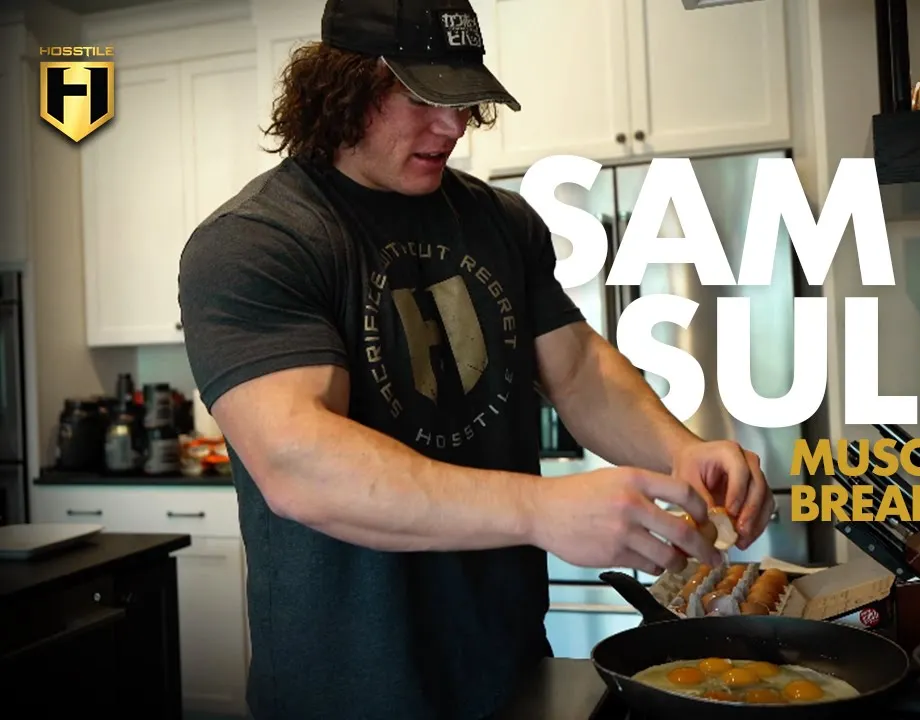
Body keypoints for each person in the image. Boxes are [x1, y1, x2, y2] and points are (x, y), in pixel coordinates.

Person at [176, 0, 776, 717]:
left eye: (463, 101)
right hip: (347, 687)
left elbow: (578, 371)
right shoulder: (257, 240)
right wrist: (541, 509)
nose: (454, 126)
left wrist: (683, 452)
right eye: (423, 99)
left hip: (509, 665)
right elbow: (299, 464)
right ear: (340, 90)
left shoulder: (499, 220)